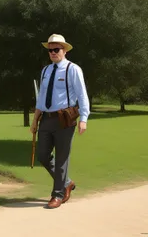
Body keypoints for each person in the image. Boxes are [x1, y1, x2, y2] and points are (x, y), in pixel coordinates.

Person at [30, 33, 90, 209]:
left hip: (65, 118)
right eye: (50, 50)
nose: (53, 53)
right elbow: (41, 98)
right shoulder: (46, 71)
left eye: (56, 49)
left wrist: (84, 118)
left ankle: (57, 195)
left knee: (62, 158)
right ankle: (67, 183)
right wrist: (35, 120)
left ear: (64, 51)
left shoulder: (73, 69)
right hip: (46, 119)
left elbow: (82, 95)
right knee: (42, 155)